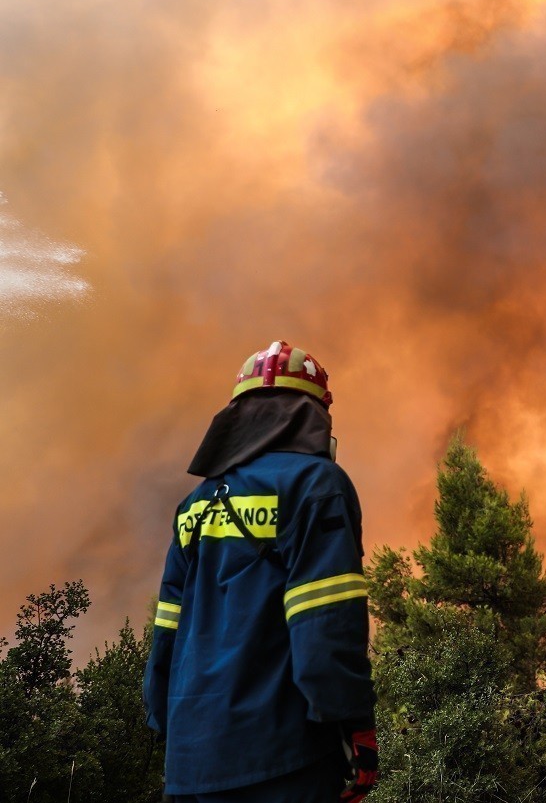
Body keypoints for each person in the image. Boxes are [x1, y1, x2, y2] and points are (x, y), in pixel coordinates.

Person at [143, 341, 378, 803]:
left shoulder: (195, 505)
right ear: (310, 414)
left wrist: (166, 722)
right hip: (281, 755)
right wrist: (354, 724)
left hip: (192, 761)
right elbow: (325, 623)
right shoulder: (316, 485)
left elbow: (168, 625)